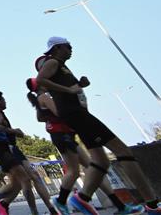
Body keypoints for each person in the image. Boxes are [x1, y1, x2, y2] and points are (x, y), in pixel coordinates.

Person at [36, 37, 161, 215]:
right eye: (68, 46)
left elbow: (65, 89)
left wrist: (79, 85)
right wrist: (70, 90)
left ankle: (82, 198)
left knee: (101, 160)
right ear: (57, 48)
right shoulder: (53, 62)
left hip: (77, 114)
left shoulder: (61, 65)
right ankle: (153, 204)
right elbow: (41, 80)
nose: (71, 49)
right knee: (123, 151)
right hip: (76, 115)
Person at [26, 78, 138, 215]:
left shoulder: (39, 99)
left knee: (96, 169)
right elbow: (60, 112)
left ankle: (119, 205)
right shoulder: (44, 96)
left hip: (65, 134)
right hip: (62, 135)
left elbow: (40, 118)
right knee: (75, 171)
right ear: (41, 85)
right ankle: (61, 201)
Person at [0, 91, 58, 215]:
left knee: (25, 180)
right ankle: (38, 210)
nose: (5, 101)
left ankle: (3, 204)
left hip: (13, 148)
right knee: (27, 179)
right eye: (3, 99)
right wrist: (15, 131)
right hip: (8, 149)